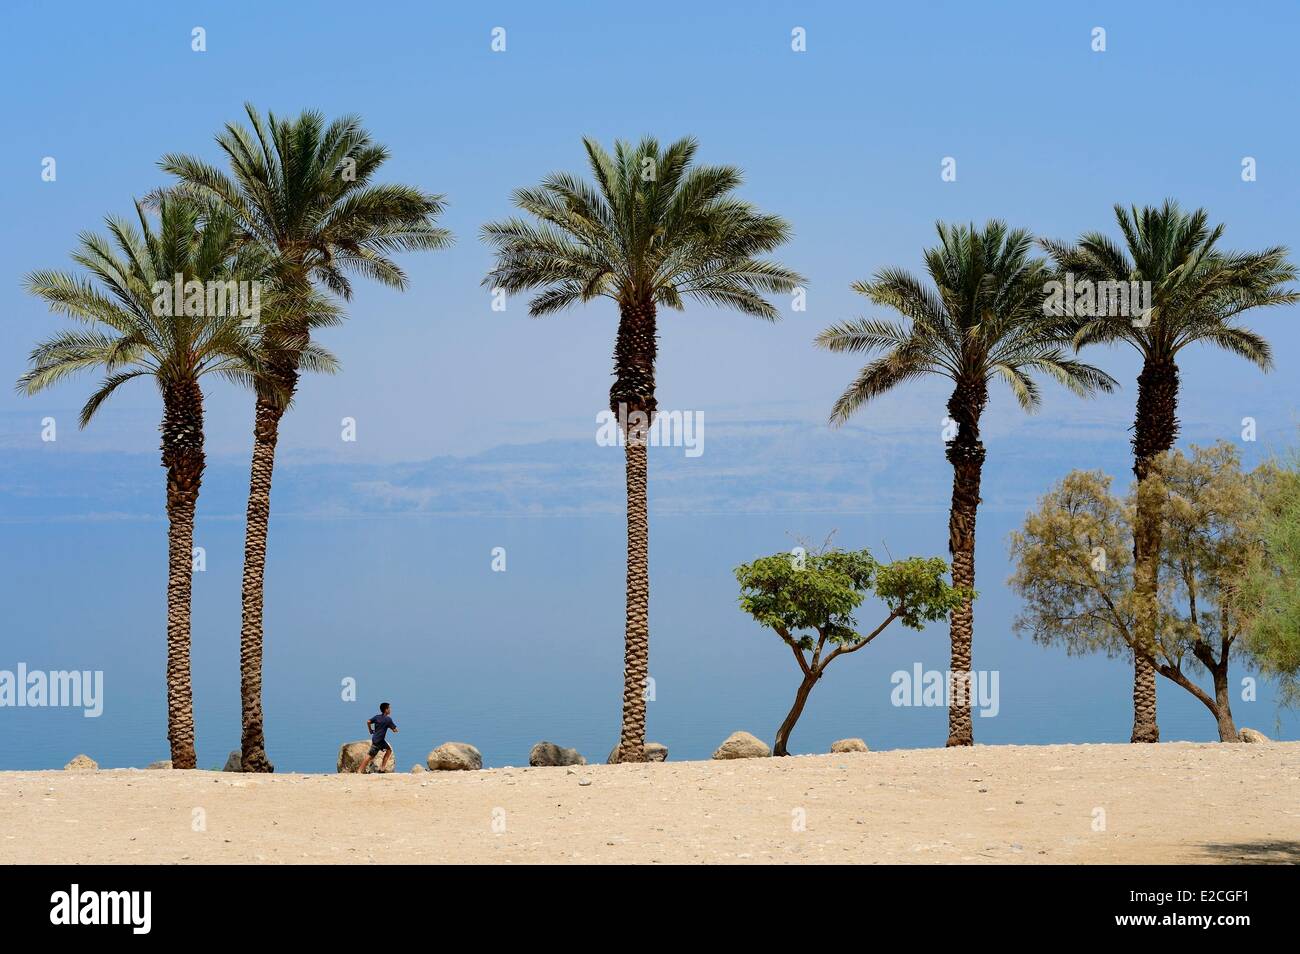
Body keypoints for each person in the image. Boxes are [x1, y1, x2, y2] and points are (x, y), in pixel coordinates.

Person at [357, 702, 398, 774]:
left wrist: (370, 730)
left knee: (388, 750)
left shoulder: (377, 717)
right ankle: (359, 771)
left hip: (379, 740)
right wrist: (395, 730)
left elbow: (368, 721)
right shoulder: (388, 719)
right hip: (378, 741)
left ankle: (382, 769)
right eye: (389, 708)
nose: (390, 710)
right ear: (386, 710)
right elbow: (394, 730)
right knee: (370, 756)